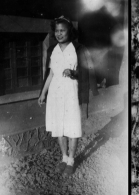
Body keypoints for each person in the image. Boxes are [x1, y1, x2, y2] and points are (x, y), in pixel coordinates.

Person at [38, 16, 98, 176]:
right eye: (56, 31)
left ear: (69, 31)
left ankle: (71, 160)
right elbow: (50, 74)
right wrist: (43, 93)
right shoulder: (52, 49)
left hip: (71, 92)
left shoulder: (78, 48)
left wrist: (73, 72)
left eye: (62, 30)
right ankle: (64, 158)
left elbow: (84, 72)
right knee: (59, 128)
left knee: (72, 127)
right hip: (55, 94)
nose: (59, 34)